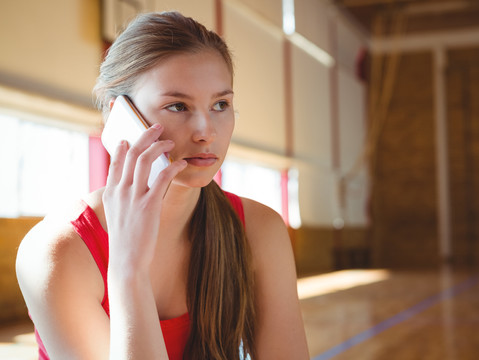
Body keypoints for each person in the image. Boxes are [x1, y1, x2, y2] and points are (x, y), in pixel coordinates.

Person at [16, 11, 309, 360]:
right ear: (122, 118)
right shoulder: (58, 251)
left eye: (220, 104)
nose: (206, 131)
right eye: (177, 106)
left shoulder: (259, 230)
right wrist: (128, 272)